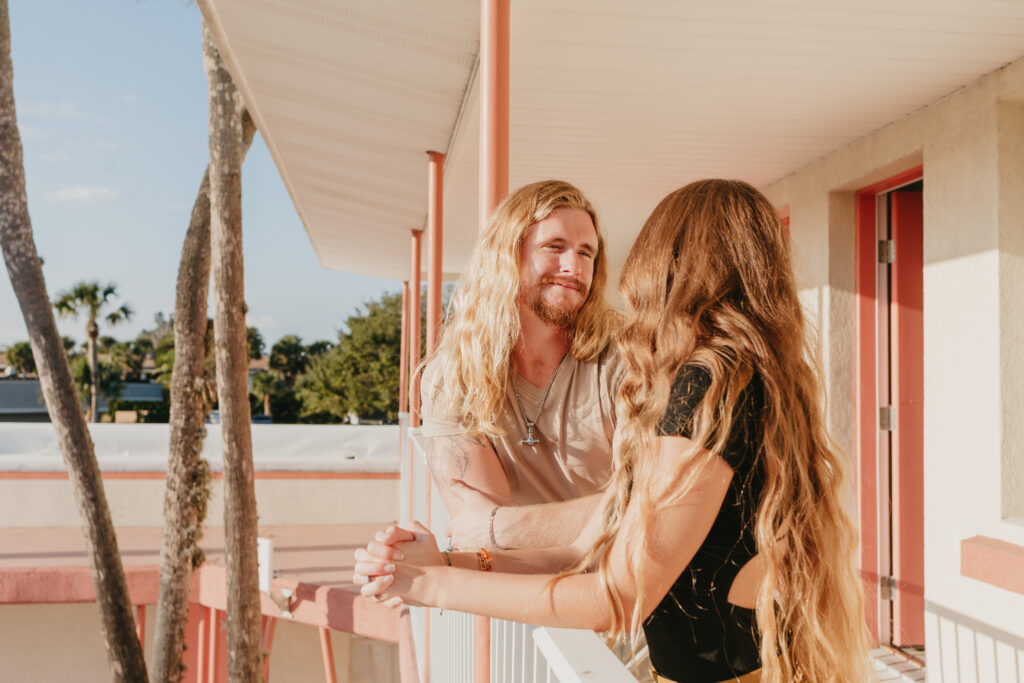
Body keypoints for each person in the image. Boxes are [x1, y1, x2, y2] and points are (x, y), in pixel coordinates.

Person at [355, 179, 870, 683]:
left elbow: (615, 587)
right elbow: (614, 530)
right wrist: (447, 560)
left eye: (591, 252)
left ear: (675, 261)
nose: (590, 268)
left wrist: (431, 581)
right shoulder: (734, 376)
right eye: (556, 246)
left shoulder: (701, 385)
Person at [418, 179, 621, 551]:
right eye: (554, 247)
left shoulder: (628, 359)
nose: (573, 266)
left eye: (586, 252)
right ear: (507, 253)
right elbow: (479, 534)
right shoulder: (454, 376)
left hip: (644, 590)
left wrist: (505, 527)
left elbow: (650, 511)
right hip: (534, 596)